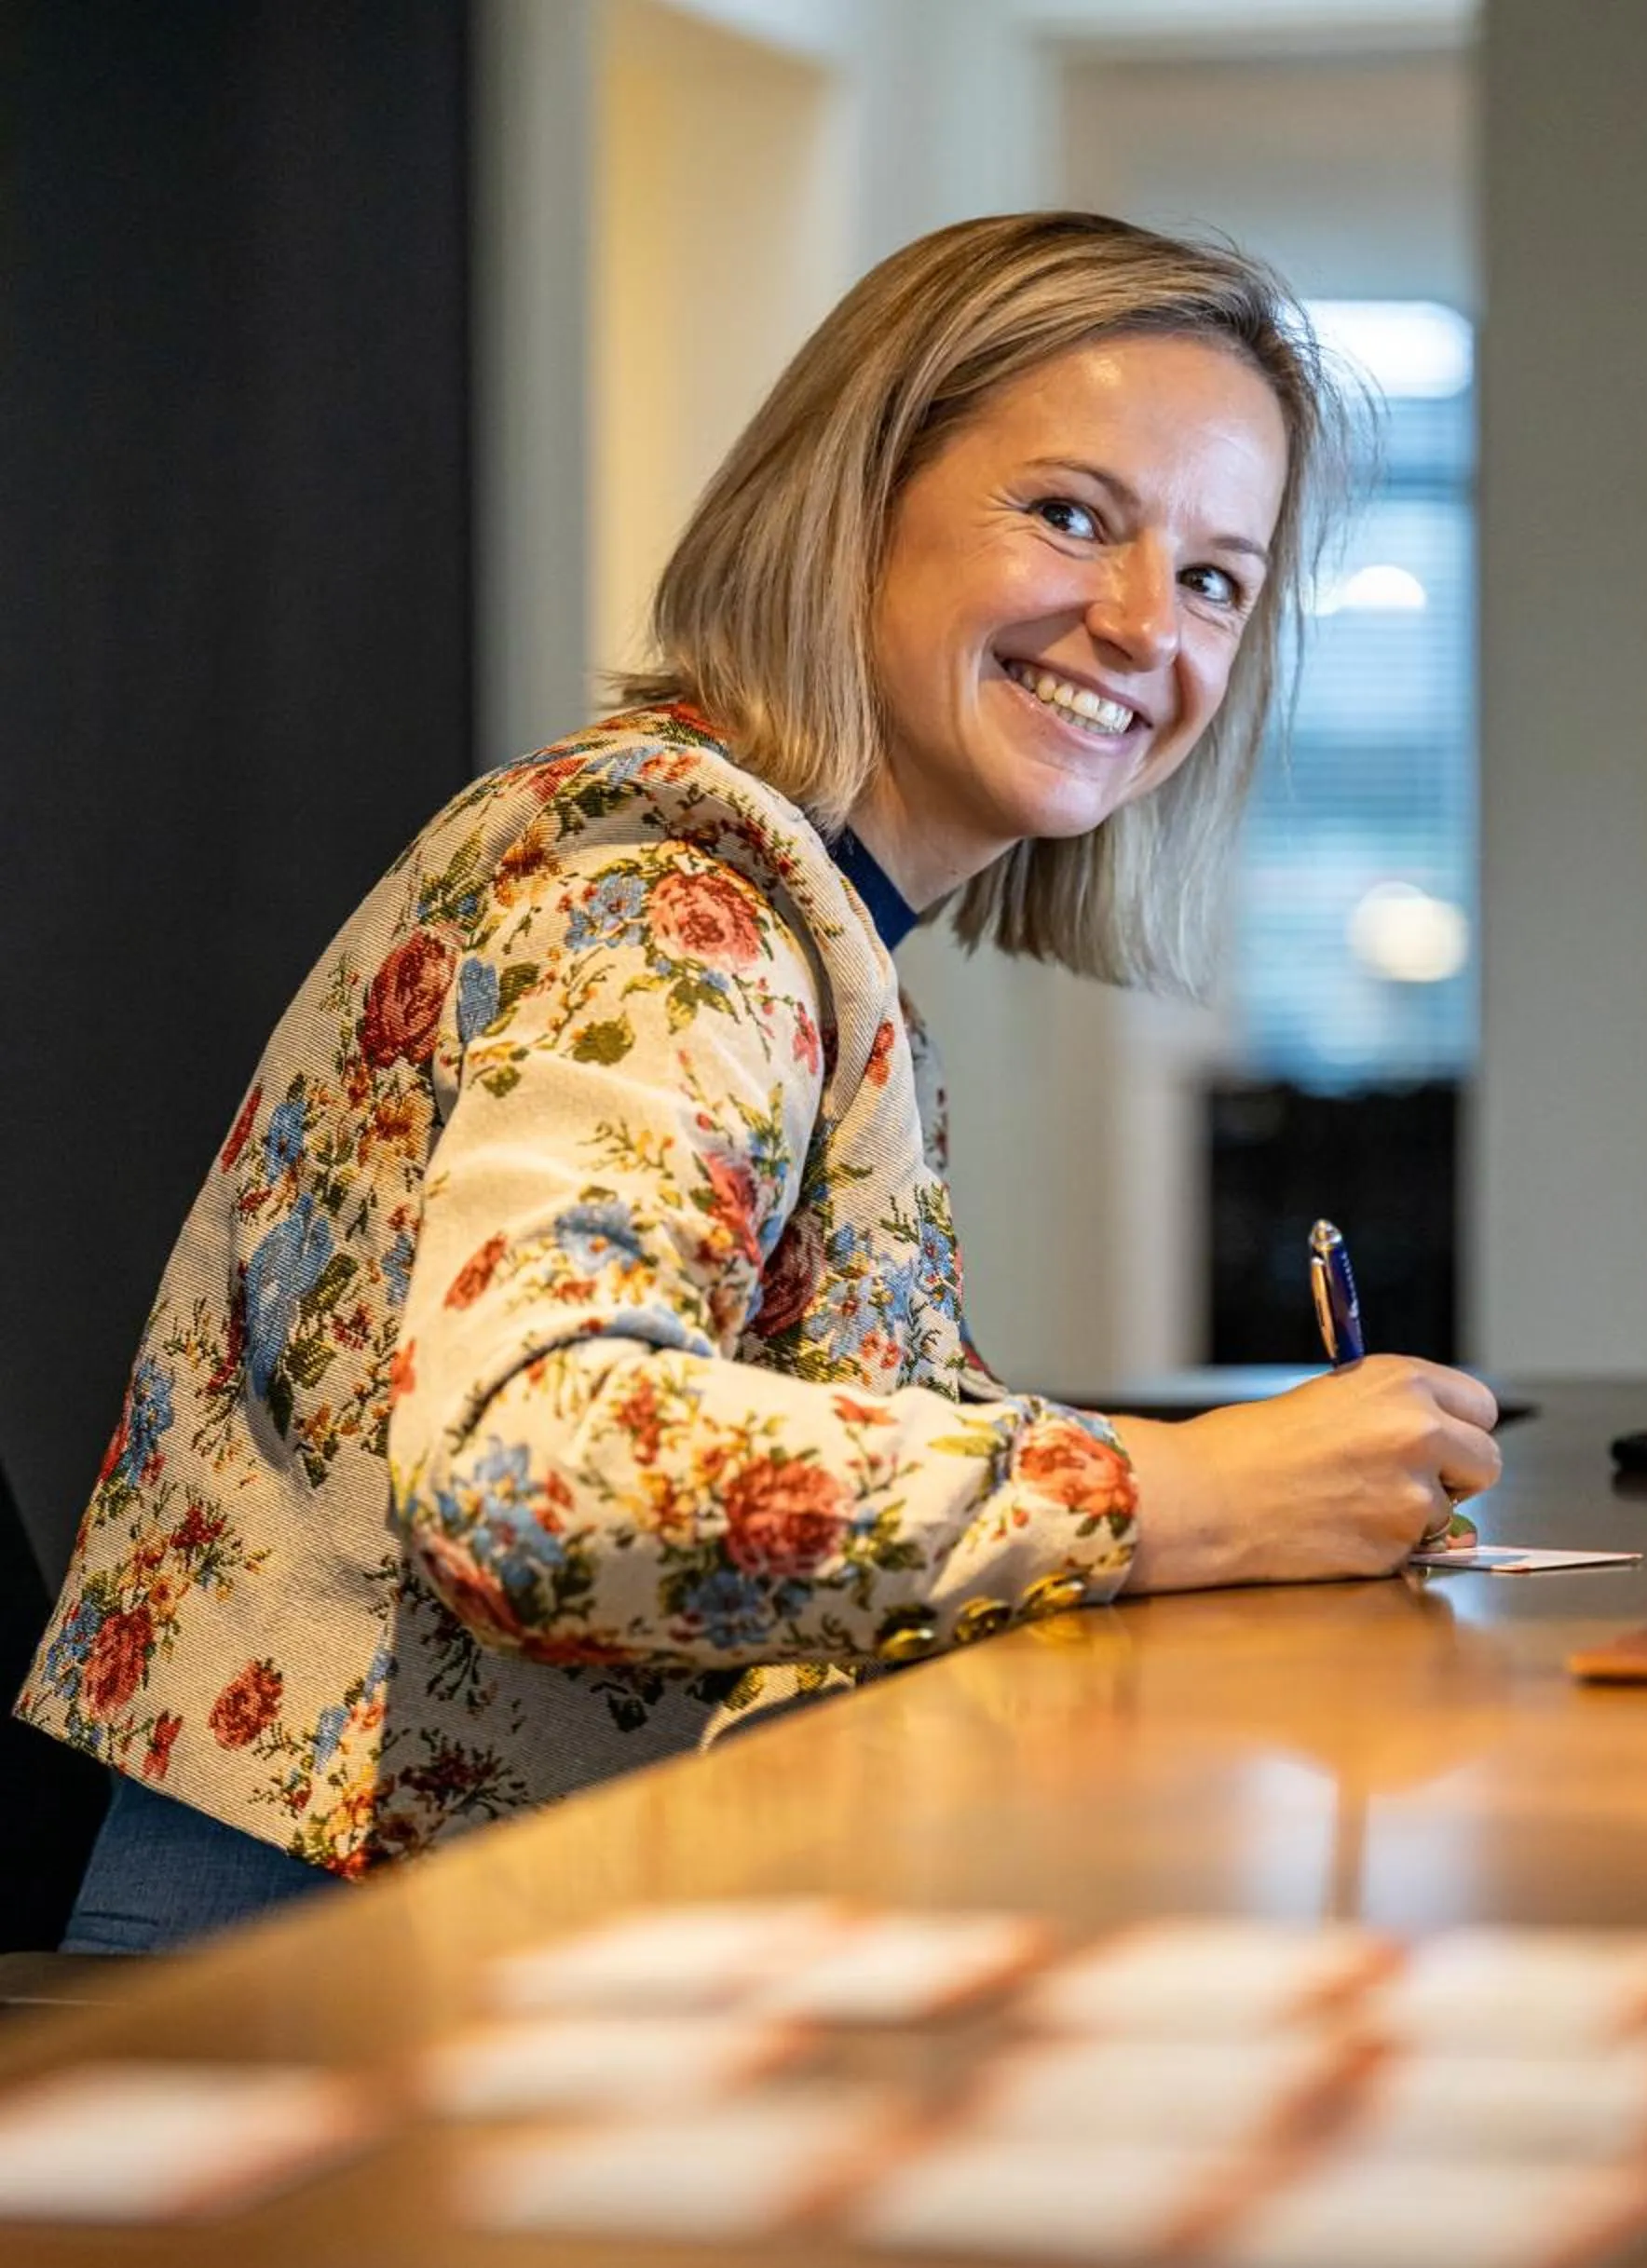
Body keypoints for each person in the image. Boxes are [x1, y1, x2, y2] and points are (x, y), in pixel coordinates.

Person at [20, 211, 1502, 1952]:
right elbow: (534, 1467)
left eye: (1214, 579)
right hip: (323, 1957)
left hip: (498, 1916)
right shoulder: (667, 889)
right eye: (1071, 513)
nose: (1135, 625)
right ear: (853, 502)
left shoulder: (814, 922)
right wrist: (1173, 1492)